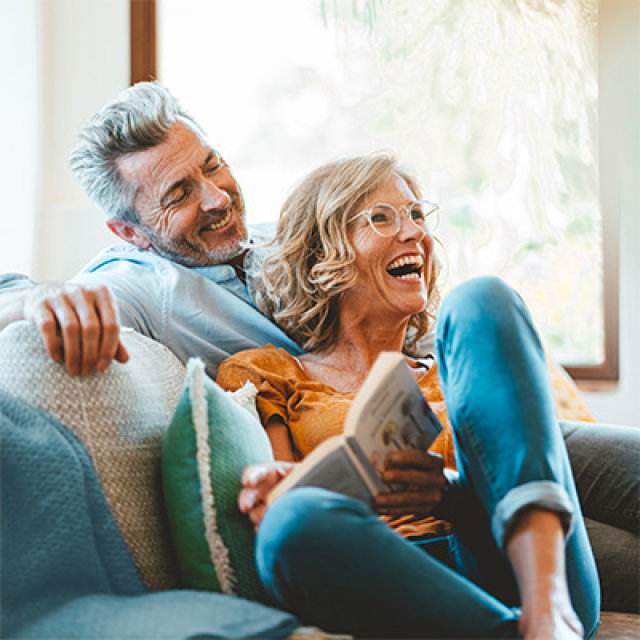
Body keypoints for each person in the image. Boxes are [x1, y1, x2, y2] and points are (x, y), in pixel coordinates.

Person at [0, 82, 637, 614]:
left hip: (478, 443)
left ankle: (544, 598)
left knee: (488, 317)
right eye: (179, 194)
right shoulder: (144, 286)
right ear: (127, 230)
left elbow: (393, 263)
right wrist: (33, 296)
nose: (217, 198)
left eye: (212, 165)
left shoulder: (289, 236)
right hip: (419, 511)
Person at [216, 152, 599, 638]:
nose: (415, 232)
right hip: (390, 573)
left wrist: (452, 495)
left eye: (417, 214)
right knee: (290, 522)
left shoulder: (463, 366)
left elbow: (524, 462)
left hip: (508, 559)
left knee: (480, 299)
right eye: (383, 217)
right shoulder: (269, 372)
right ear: (323, 254)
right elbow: (280, 496)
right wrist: (280, 487)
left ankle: (548, 608)